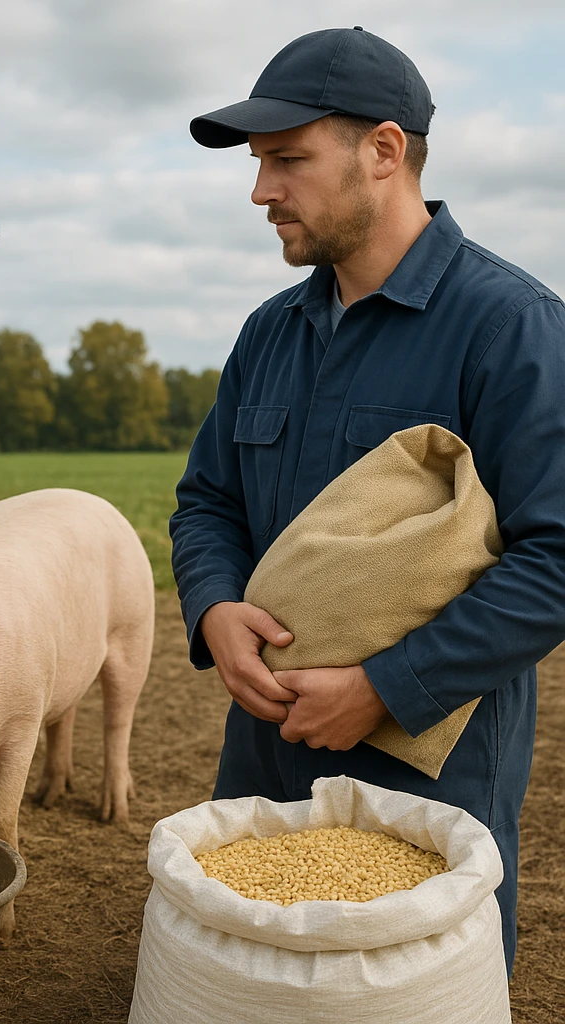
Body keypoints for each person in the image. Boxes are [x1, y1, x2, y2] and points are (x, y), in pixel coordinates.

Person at [170, 25, 565, 977]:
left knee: (411, 980)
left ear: (384, 152)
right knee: (259, 970)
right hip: (262, 742)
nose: (261, 190)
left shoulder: (512, 328)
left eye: (287, 160)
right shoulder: (270, 332)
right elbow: (206, 503)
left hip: (432, 756)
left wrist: (385, 690)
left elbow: (556, 558)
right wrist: (215, 611)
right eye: (261, 163)